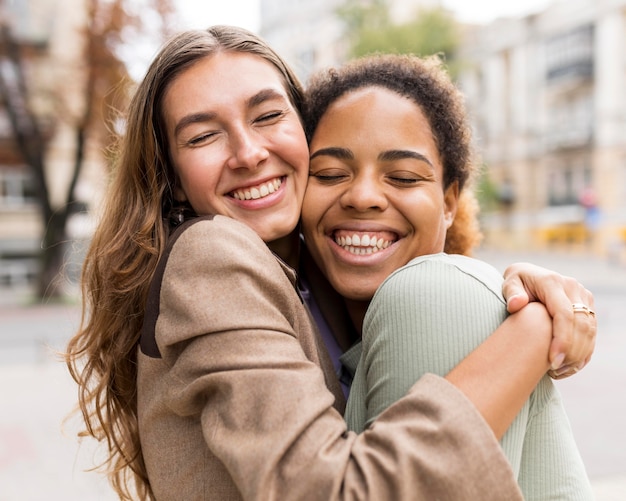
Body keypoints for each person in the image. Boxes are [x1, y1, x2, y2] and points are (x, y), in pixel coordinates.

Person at [64, 26, 595, 500]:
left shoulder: (315, 280)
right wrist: (532, 331)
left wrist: (520, 288)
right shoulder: (212, 256)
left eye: (269, 115)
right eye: (202, 135)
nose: (248, 153)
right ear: (173, 177)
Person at [301, 53, 595, 499]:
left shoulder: (432, 292)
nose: (362, 196)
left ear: (450, 201)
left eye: (401, 177)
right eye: (329, 173)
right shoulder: (314, 317)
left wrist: (535, 323)